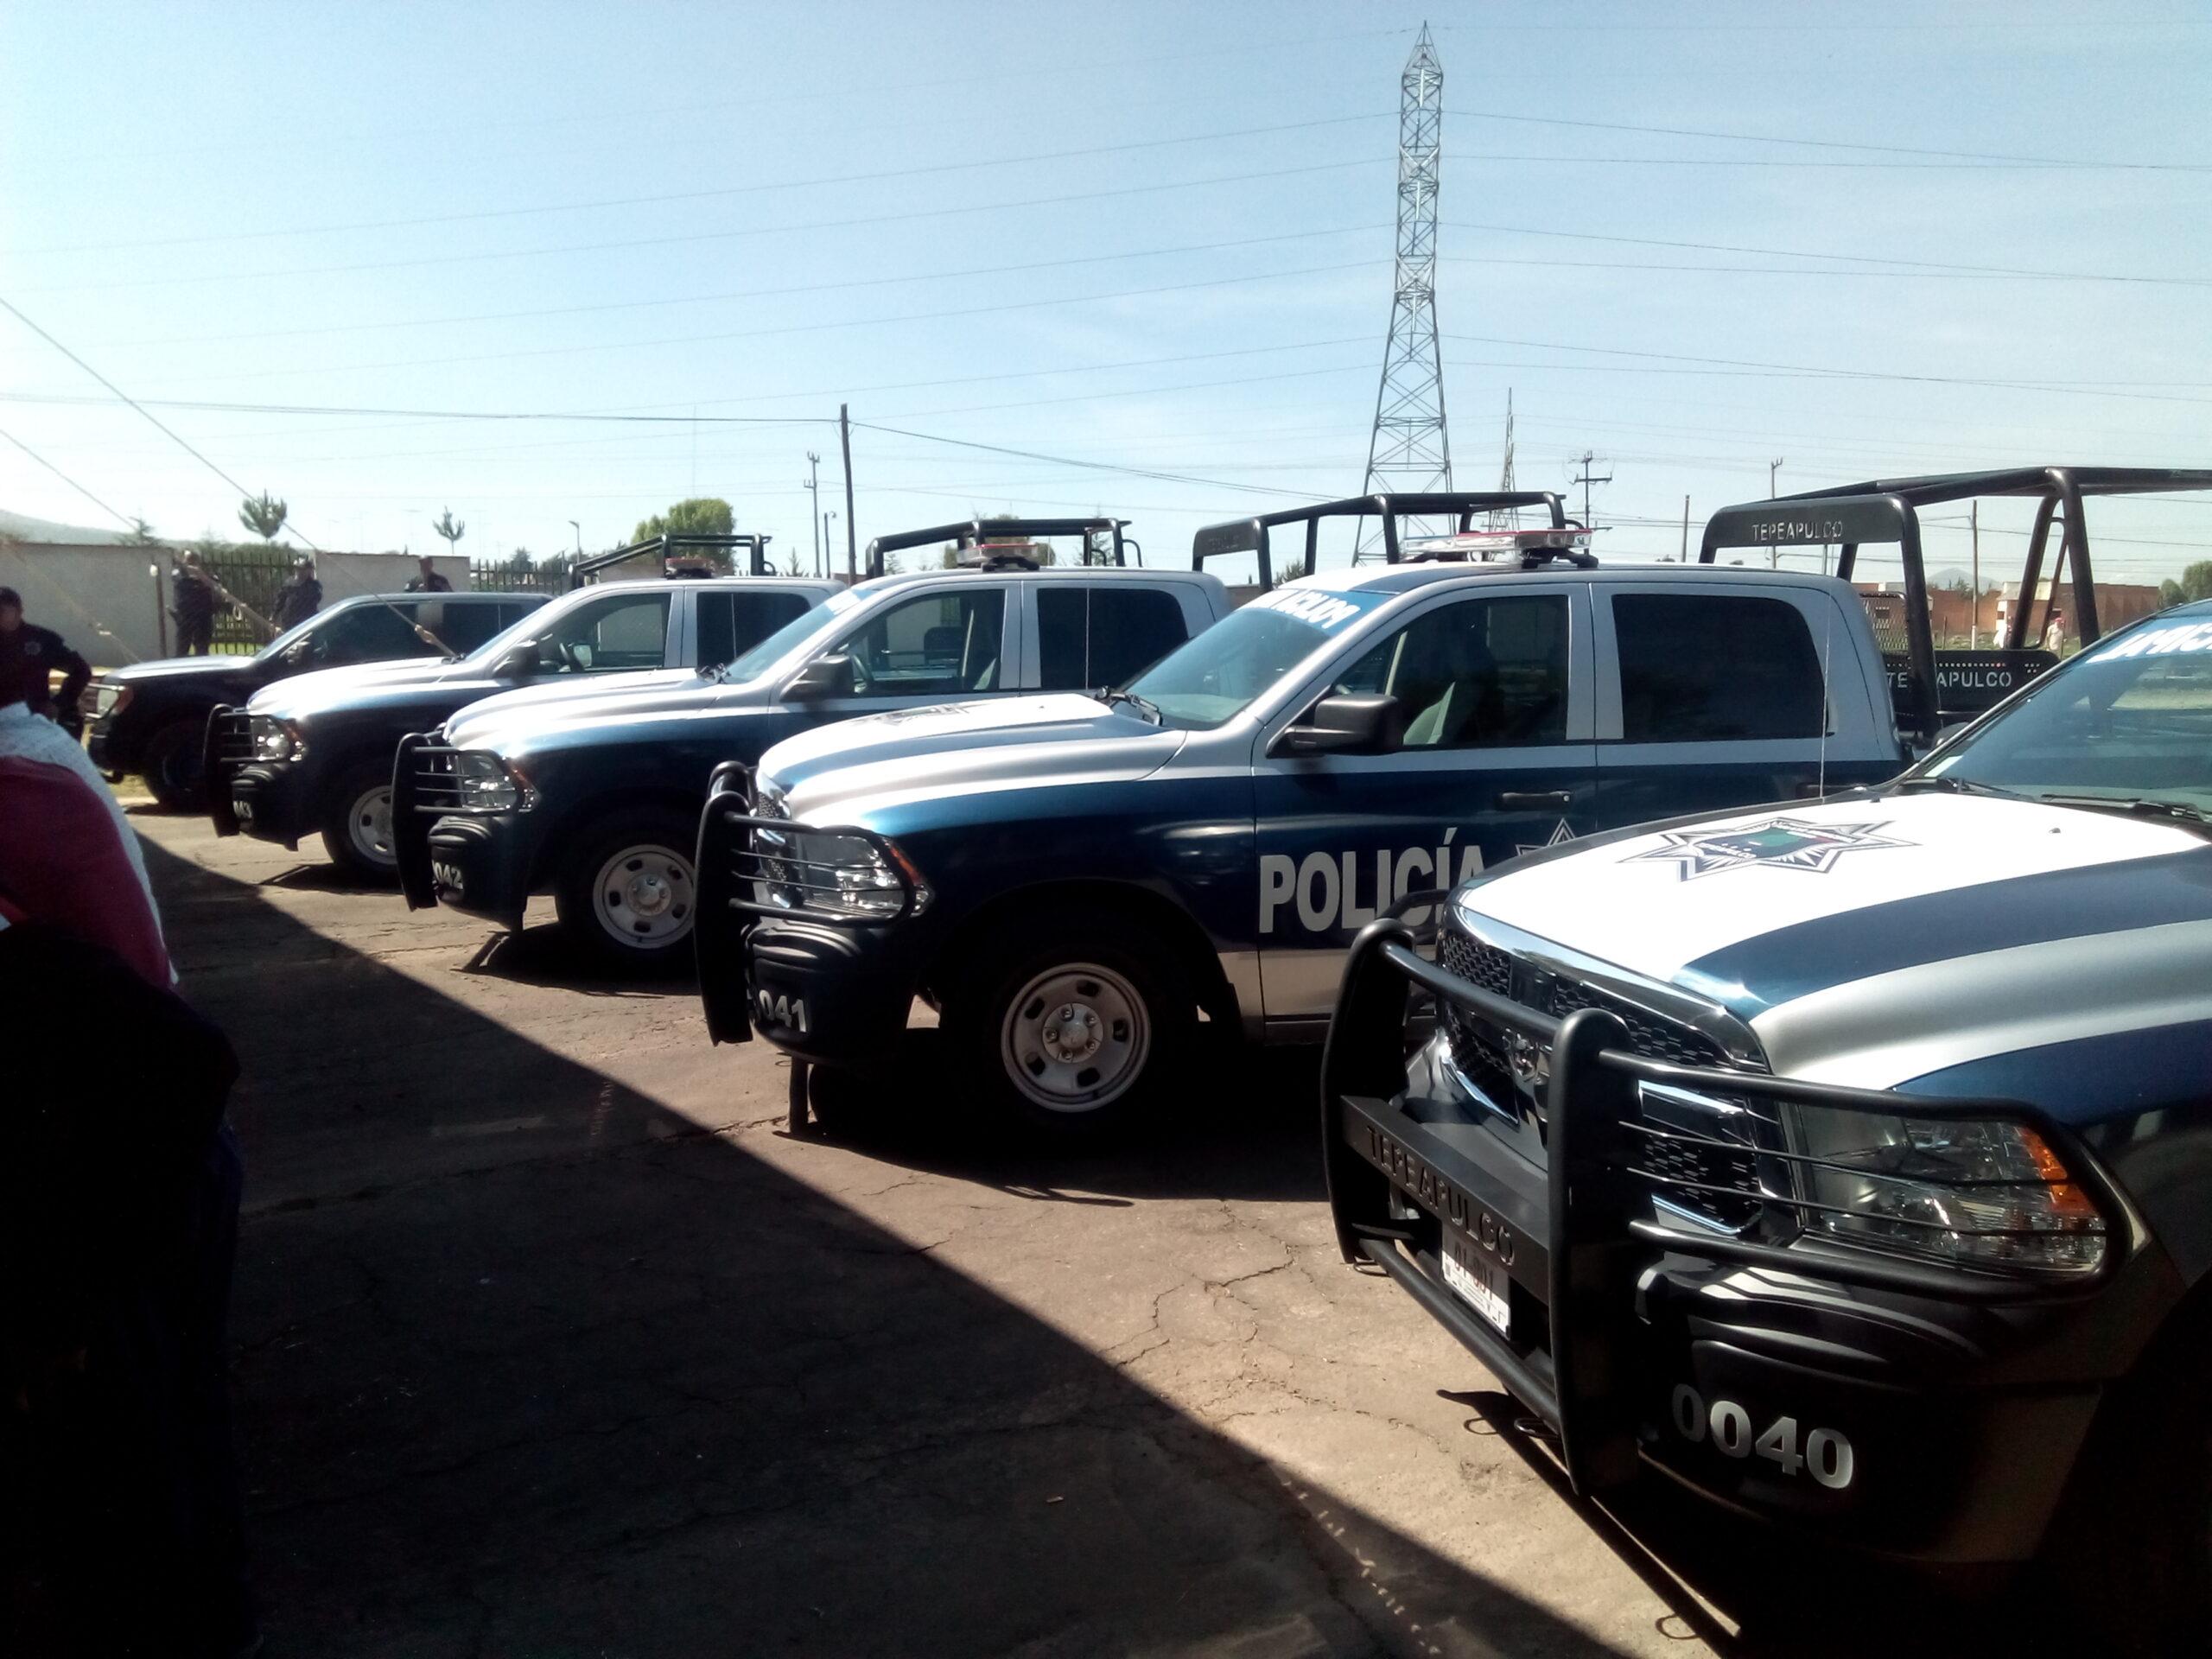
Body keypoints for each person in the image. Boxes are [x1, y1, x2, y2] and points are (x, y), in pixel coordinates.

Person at [0, 687, 255, 1655]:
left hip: (122, 1150)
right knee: (167, 1423)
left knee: (138, 1441)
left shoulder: (29, 787)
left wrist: (64, 1294)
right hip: (136, 1134)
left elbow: (171, 1048)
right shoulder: (44, 774)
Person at [0, 586, 92, 731]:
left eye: (3, 611)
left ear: (19, 612)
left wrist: (58, 703)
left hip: (32, 719)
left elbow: (81, 670)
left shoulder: (41, 640)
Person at [173, 553, 219, 656]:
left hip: (203, 616)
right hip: (186, 616)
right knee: (182, 648)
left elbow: (215, 585)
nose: (192, 565)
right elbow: (180, 582)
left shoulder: (207, 576)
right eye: (189, 561)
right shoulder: (179, 576)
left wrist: (201, 576)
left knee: (202, 648)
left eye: (194, 561)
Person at [270, 555, 321, 630]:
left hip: (306, 622)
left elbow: (317, 599)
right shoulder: (288, 583)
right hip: (289, 622)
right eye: (299, 569)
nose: (301, 571)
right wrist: (273, 616)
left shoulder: (313, 585)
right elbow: (280, 601)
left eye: (305, 569)